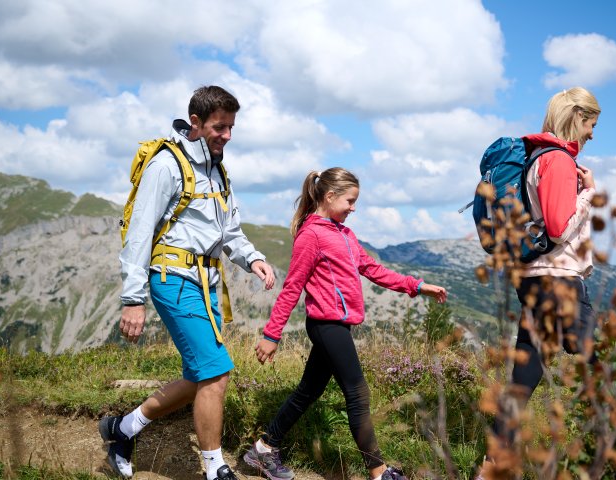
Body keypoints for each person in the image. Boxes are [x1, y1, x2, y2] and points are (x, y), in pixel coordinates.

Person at [100, 85, 276, 480]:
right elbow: (140, 232)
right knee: (217, 371)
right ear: (195, 122)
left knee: (198, 375)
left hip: (207, 282)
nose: (227, 135)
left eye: (231, 127)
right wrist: (133, 298)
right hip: (172, 279)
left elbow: (230, 231)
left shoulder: (218, 169)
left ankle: (122, 429)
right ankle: (215, 469)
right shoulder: (166, 165)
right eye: (219, 127)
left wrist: (254, 258)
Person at [243, 167, 448, 480]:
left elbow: (373, 270)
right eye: (350, 201)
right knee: (358, 393)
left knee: (308, 391)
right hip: (326, 325)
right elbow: (292, 286)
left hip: (338, 325)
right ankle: (379, 472)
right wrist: (272, 334)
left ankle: (264, 448)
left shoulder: (345, 234)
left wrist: (417, 286)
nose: (354, 208)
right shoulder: (311, 235)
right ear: (330, 196)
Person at [485, 87, 601, 468]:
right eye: (590, 124)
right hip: (558, 280)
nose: (592, 134)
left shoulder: (538, 158)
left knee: (524, 379)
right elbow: (556, 227)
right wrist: (589, 195)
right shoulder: (558, 162)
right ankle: (613, 458)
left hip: (535, 277)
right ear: (576, 118)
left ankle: (491, 470)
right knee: (600, 372)